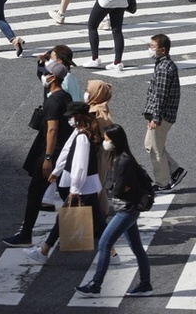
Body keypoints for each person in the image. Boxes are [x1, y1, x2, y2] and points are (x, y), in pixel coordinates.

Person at [74, 124, 154, 298]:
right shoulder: (120, 158)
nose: (105, 142)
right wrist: (116, 186)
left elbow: (115, 190)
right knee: (137, 248)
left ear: (115, 141)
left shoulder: (123, 161)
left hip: (126, 210)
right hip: (128, 208)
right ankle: (145, 284)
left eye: (107, 139)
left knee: (104, 244)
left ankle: (96, 285)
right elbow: (117, 187)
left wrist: (113, 186)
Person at [3, 60, 74, 247]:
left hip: (51, 154)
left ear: (52, 78)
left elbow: (52, 130)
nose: (43, 75)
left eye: (45, 73)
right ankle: (85, 231)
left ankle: (26, 235)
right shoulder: (65, 97)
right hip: (62, 153)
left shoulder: (52, 101)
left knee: (35, 193)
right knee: (68, 193)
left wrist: (48, 158)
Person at [24, 102, 106, 264]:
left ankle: (43, 251)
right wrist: (56, 171)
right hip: (87, 185)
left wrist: (74, 188)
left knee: (64, 217)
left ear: (78, 117)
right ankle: (112, 254)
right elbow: (66, 152)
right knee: (100, 222)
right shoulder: (79, 132)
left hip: (81, 186)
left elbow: (80, 165)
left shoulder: (82, 137)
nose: (69, 119)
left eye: (71, 116)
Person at [144, 34, 185, 192]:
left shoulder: (163, 68)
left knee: (155, 150)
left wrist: (156, 117)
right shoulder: (163, 64)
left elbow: (160, 96)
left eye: (153, 46)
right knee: (150, 145)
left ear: (162, 50)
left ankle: (163, 183)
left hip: (162, 115)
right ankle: (174, 170)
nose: (150, 49)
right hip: (161, 114)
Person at [86, 80, 114, 215]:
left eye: (89, 90)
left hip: (99, 153)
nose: (86, 93)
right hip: (101, 152)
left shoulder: (97, 110)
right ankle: (101, 213)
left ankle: (99, 215)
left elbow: (106, 131)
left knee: (97, 184)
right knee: (99, 185)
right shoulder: (100, 106)